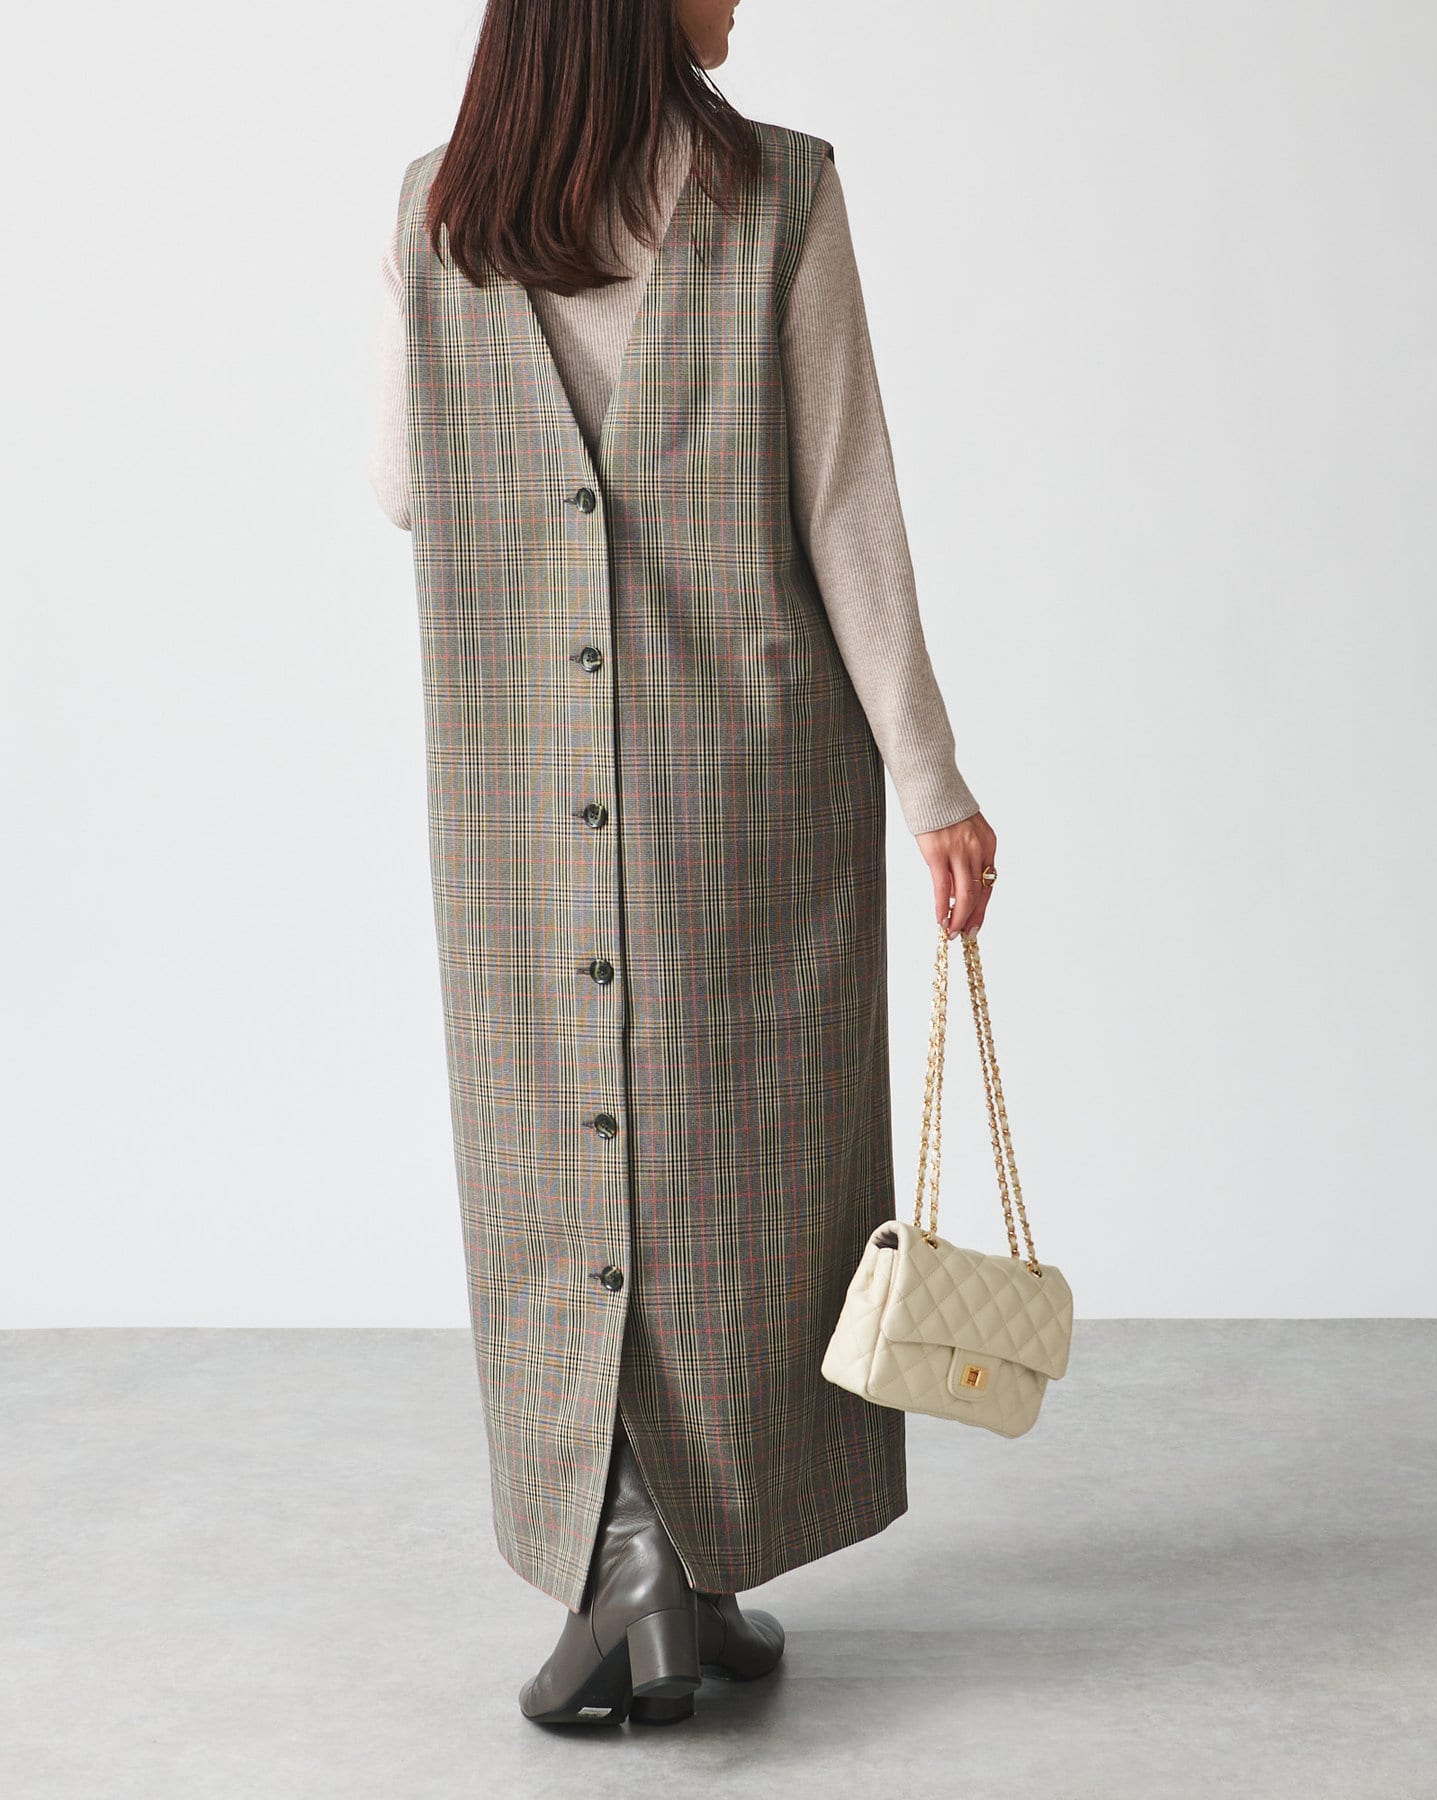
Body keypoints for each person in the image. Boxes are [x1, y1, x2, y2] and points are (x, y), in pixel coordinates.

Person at [368, 0, 999, 1729]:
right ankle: (669, 1561)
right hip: (749, 780)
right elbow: (847, 503)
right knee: (740, 1173)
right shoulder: (780, 193)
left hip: (514, 800)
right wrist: (931, 779)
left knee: (560, 1168)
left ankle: (651, 1575)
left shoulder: (436, 209)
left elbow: (403, 487)